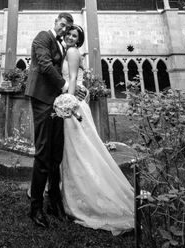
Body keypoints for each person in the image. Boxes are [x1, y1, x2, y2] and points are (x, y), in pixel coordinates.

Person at [60, 24, 135, 236]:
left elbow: (73, 79)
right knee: (79, 150)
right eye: (69, 34)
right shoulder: (67, 51)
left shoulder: (73, 52)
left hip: (73, 104)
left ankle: (84, 196)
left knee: (79, 151)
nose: (71, 37)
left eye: (75, 35)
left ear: (78, 40)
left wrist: (68, 101)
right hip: (74, 101)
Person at [25, 12, 73, 228]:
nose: (63, 29)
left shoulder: (62, 45)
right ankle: (35, 209)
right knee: (43, 153)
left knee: (56, 154)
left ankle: (54, 202)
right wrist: (64, 86)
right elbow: (44, 65)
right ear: (55, 22)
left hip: (56, 103)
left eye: (67, 27)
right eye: (62, 25)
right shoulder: (43, 37)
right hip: (42, 100)